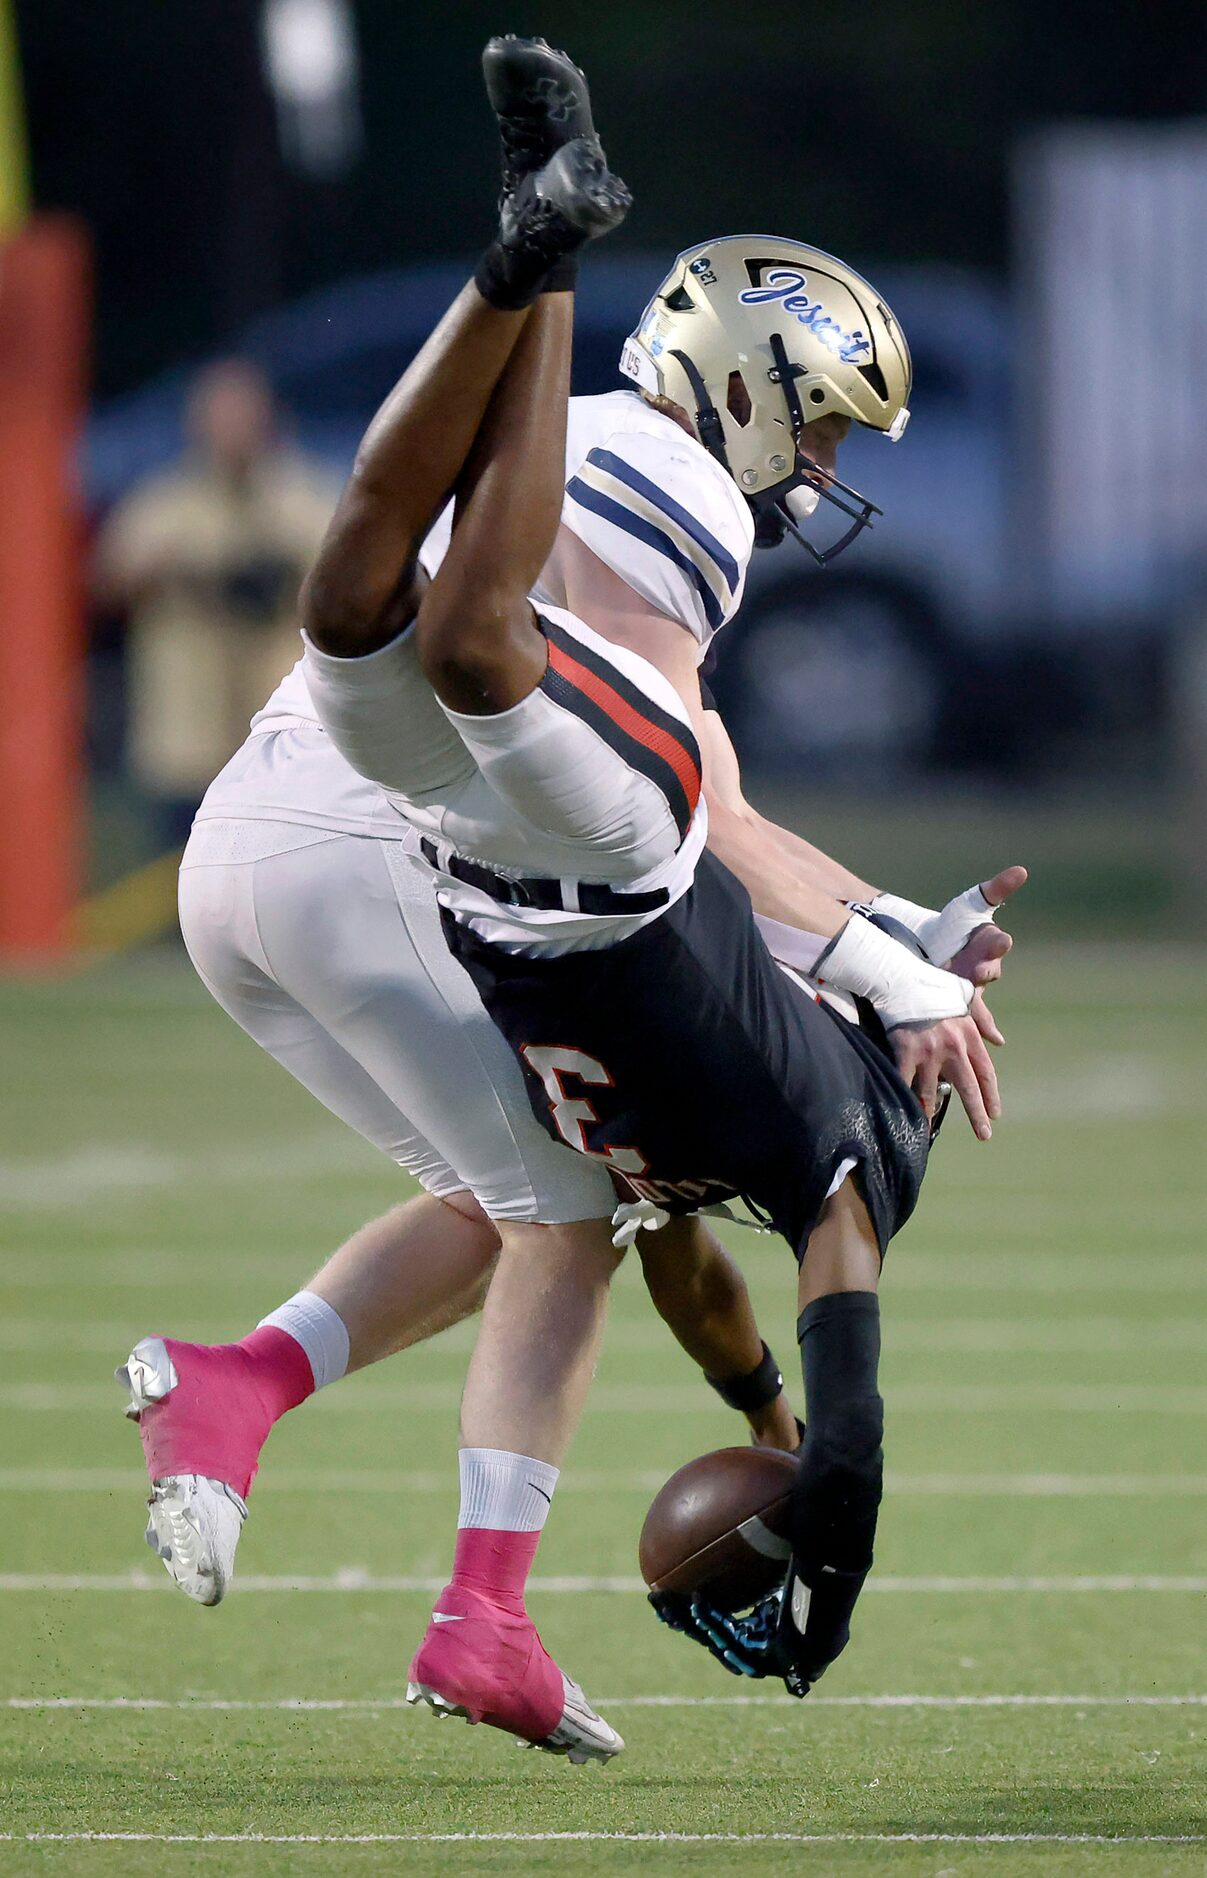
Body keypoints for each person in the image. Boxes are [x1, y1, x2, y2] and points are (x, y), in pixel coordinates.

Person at [121, 38, 1021, 1757]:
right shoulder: (678, 486)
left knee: (496, 1197)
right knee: (563, 1212)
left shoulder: (599, 454)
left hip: (248, 849)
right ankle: (482, 1616)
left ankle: (240, 1381)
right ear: (750, 387)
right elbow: (664, 794)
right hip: (376, 826)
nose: (820, 472)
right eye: (818, 425)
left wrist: (892, 936)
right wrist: (885, 971)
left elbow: (717, 813)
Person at [94, 359, 339, 843]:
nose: (231, 432)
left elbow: (354, 593)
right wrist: (176, 575)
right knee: (180, 896)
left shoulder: (307, 498)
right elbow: (106, 584)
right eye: (219, 418)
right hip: (186, 742)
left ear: (270, 418)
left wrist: (285, 570)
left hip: (282, 742)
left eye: (242, 417)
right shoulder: (166, 504)